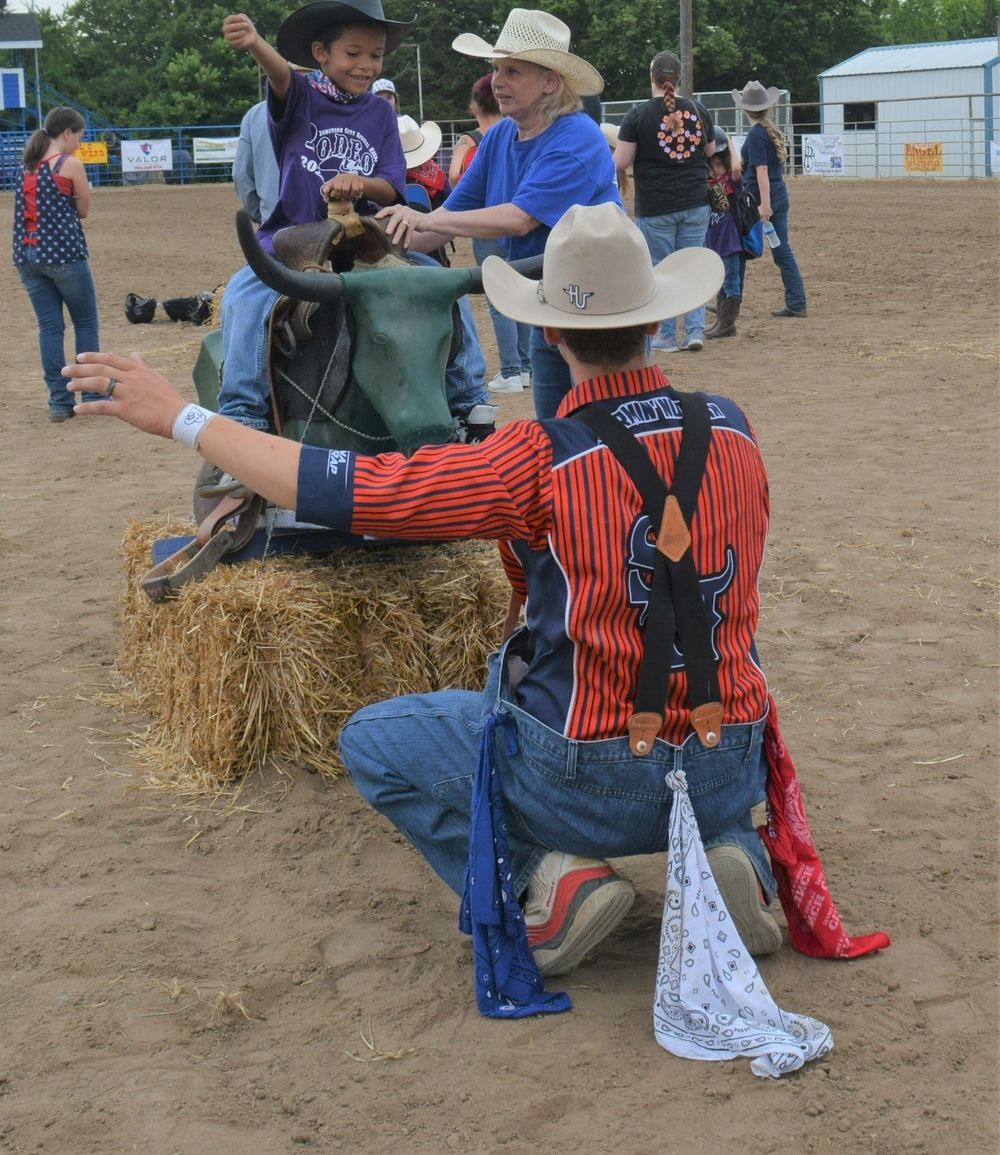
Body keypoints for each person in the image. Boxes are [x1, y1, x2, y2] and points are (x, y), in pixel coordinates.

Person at [63, 204, 782, 984]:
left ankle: (554, 881)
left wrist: (184, 416)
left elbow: (341, 488)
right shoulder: (734, 428)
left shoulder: (534, 458)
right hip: (725, 757)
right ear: (656, 319)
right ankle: (729, 851)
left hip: (591, 777)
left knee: (377, 736)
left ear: (549, 333)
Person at [216, 0, 495, 447]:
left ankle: (468, 401)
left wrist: (359, 183)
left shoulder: (380, 114)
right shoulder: (301, 97)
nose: (366, 66)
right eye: (354, 53)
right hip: (295, 236)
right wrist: (255, 44)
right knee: (243, 297)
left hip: (366, 238)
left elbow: (390, 185)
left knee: (446, 285)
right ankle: (243, 413)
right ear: (321, 53)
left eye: (376, 55)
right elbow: (281, 75)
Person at [377, 10, 620, 419]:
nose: (496, 82)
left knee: (603, 428)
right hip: (550, 301)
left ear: (550, 81)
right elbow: (447, 219)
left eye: (512, 70)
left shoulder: (577, 136)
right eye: (495, 69)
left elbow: (519, 219)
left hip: (598, 307)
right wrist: (378, 241)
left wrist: (423, 218)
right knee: (553, 429)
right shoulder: (502, 136)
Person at [613, 51, 716, 353]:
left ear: (652, 78)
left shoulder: (637, 116)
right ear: (679, 79)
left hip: (656, 205)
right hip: (696, 201)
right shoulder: (698, 110)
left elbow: (621, 160)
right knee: (692, 266)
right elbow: (710, 151)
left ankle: (667, 335)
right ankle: (695, 330)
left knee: (661, 270)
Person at [13, 107, 101, 423]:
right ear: (67, 133)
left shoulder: (26, 166)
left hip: (27, 255)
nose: (78, 142)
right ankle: (91, 393)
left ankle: (60, 402)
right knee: (86, 323)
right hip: (63, 254)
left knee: (50, 328)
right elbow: (83, 210)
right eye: (78, 136)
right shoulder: (69, 164)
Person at [449, 75, 532, 396]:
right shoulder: (517, 132)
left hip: (487, 222)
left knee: (498, 296)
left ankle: (510, 370)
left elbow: (456, 175)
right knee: (522, 289)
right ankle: (524, 367)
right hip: (516, 218)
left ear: (474, 107)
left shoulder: (470, 140)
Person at [732, 81, 807, 319]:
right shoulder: (769, 131)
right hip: (779, 195)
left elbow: (761, 170)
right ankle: (796, 301)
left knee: (736, 247)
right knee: (781, 249)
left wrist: (764, 205)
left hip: (761, 199)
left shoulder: (756, 135)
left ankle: (731, 298)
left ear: (745, 110)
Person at [704, 138, 745, 339]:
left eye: (719, 165)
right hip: (715, 244)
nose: (716, 170)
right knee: (721, 283)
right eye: (712, 166)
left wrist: (729, 142)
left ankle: (728, 324)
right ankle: (721, 321)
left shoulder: (731, 184)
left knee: (731, 282)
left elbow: (737, 169)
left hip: (729, 242)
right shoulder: (707, 186)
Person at [232, 98, 280, 227]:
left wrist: (261, 215)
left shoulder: (255, 114)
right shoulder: (333, 109)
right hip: (325, 229)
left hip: (273, 224)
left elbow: (240, 174)